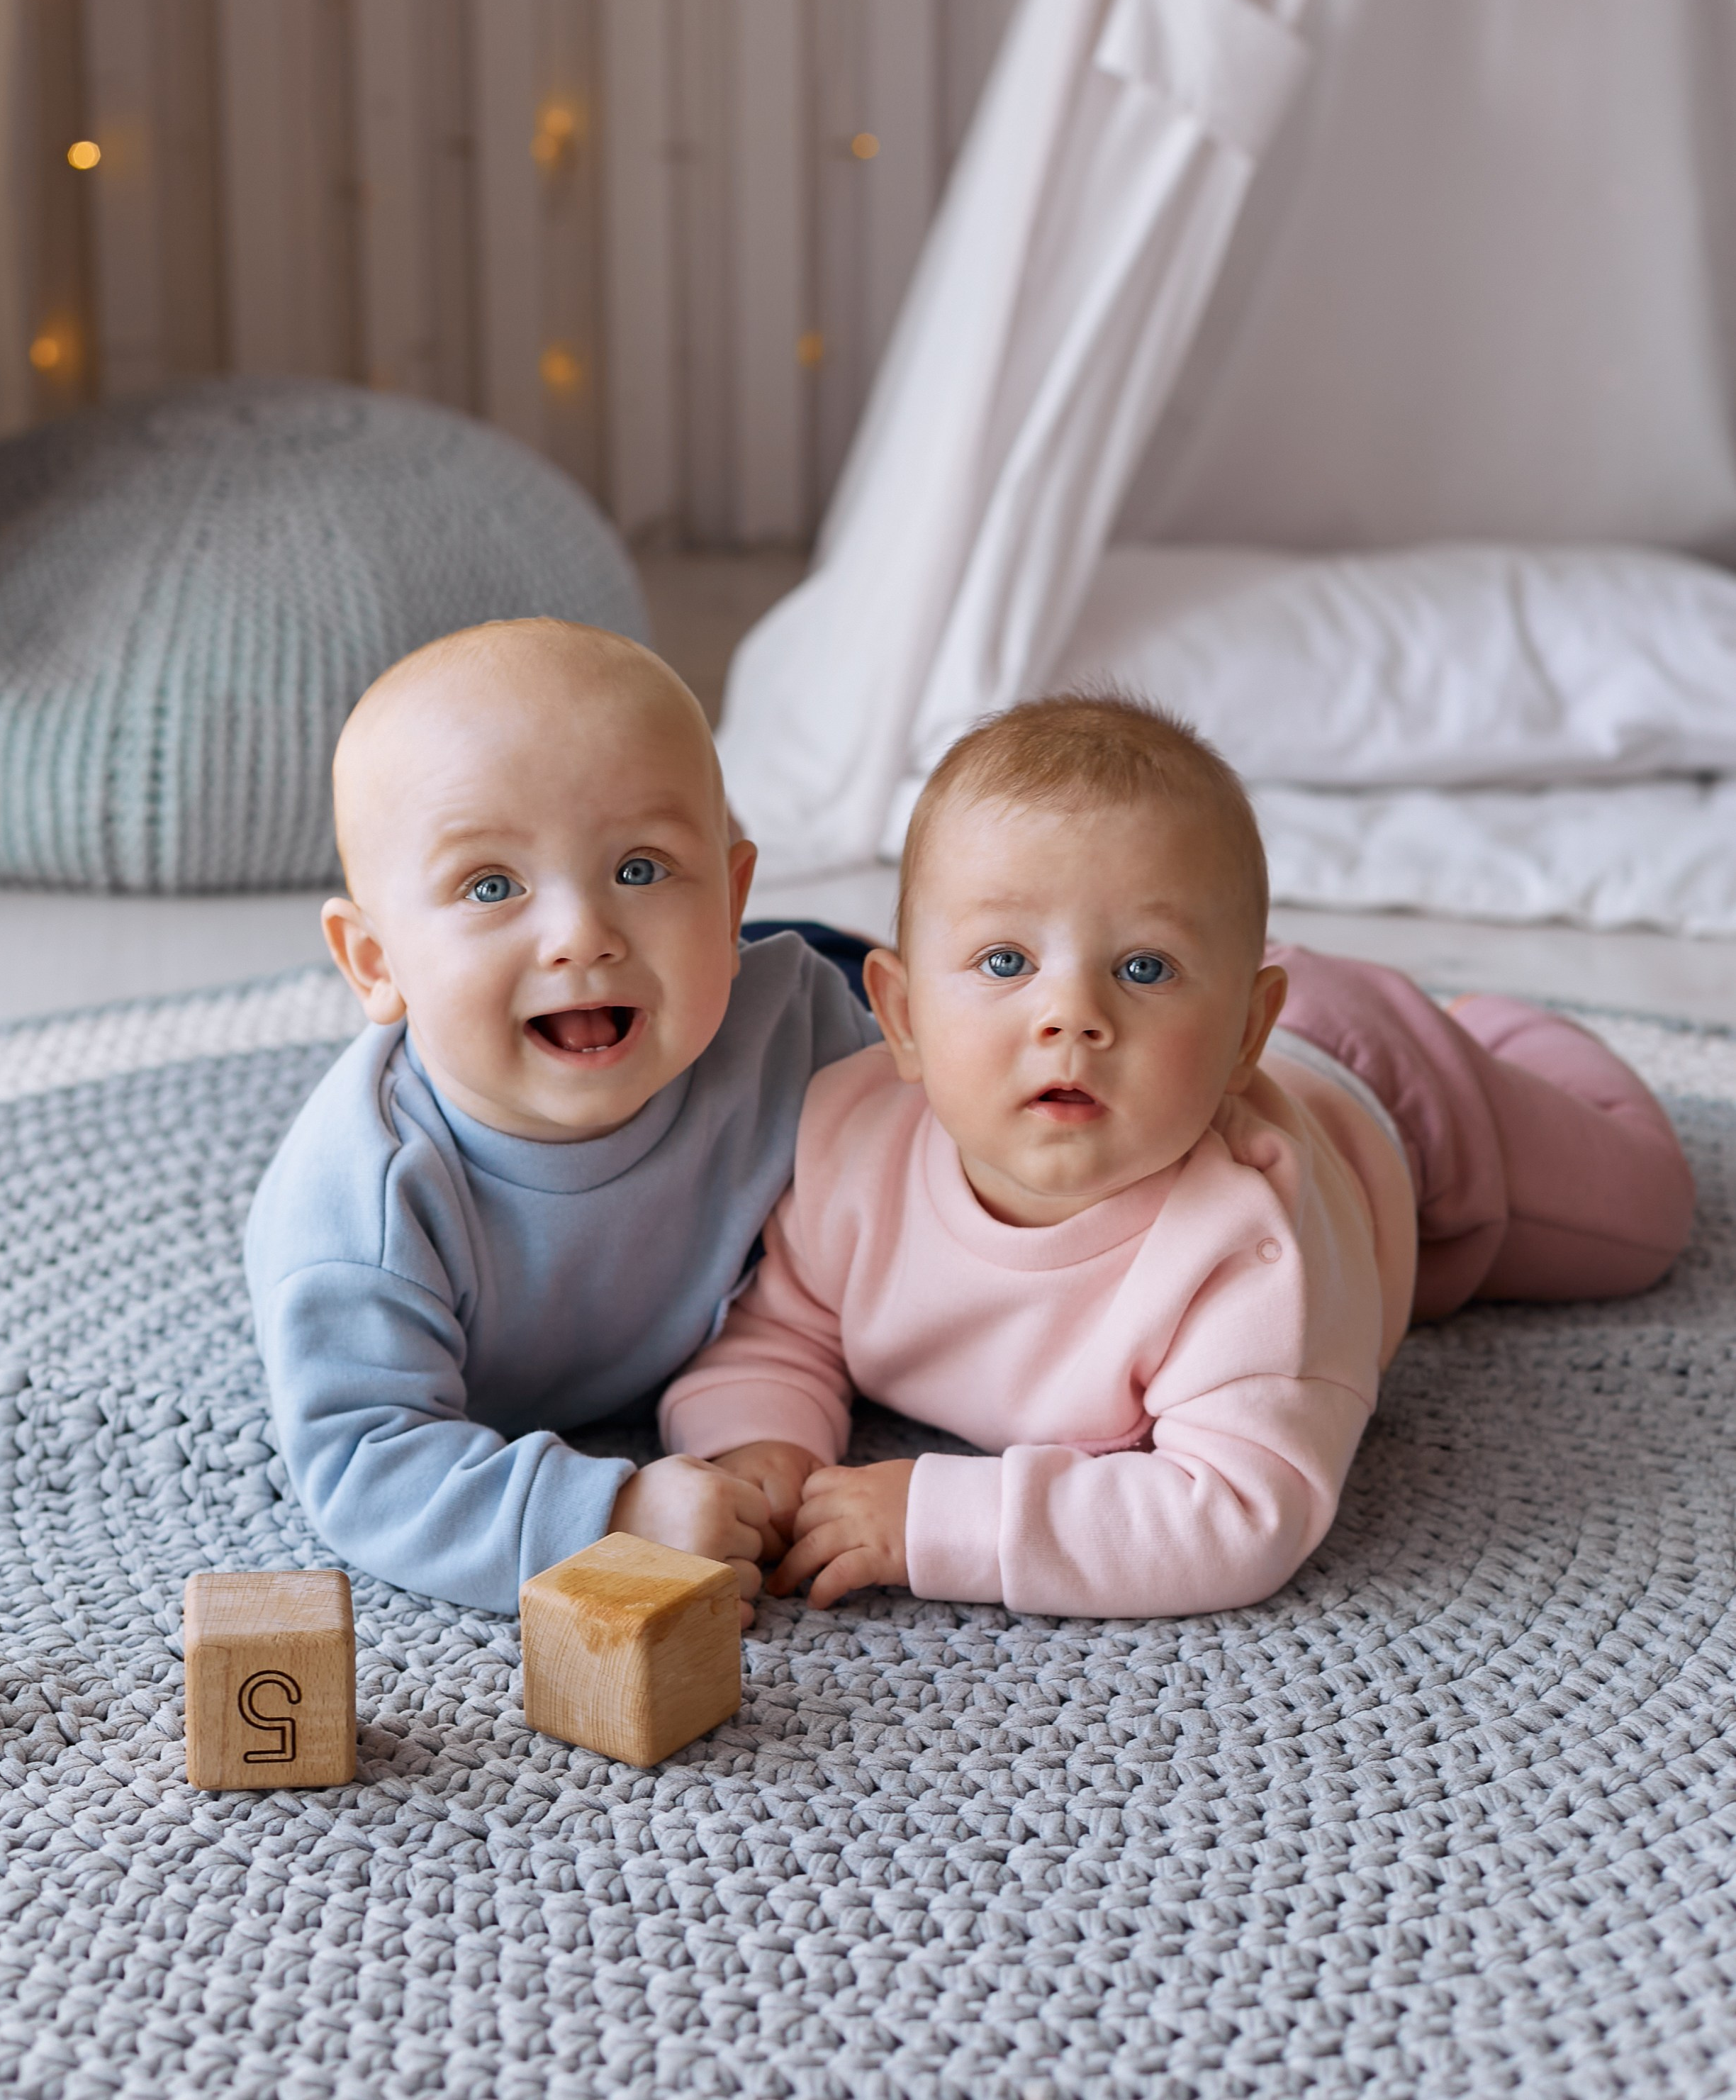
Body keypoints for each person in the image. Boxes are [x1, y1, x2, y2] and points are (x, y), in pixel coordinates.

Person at [662, 694, 1695, 1621]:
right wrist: (760, 1452)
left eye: (1143, 967)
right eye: (1005, 961)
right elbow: (776, 1333)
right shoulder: (853, 1142)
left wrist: (936, 1519)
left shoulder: (1245, 1236)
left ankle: (1495, 1028)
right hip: (1266, 1027)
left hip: (1401, 1101)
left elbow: (1240, 1510)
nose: (1072, 1015)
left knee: (1647, 1213)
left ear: (1244, 1032)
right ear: (901, 1017)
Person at [244, 618, 880, 1617]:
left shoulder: (794, 1024)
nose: (581, 934)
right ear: (374, 964)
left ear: (729, 897)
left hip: (814, 969)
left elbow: (961, 1158)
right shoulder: (367, 1204)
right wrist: (613, 1513)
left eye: (640, 868)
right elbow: (366, 1463)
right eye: (492, 886)